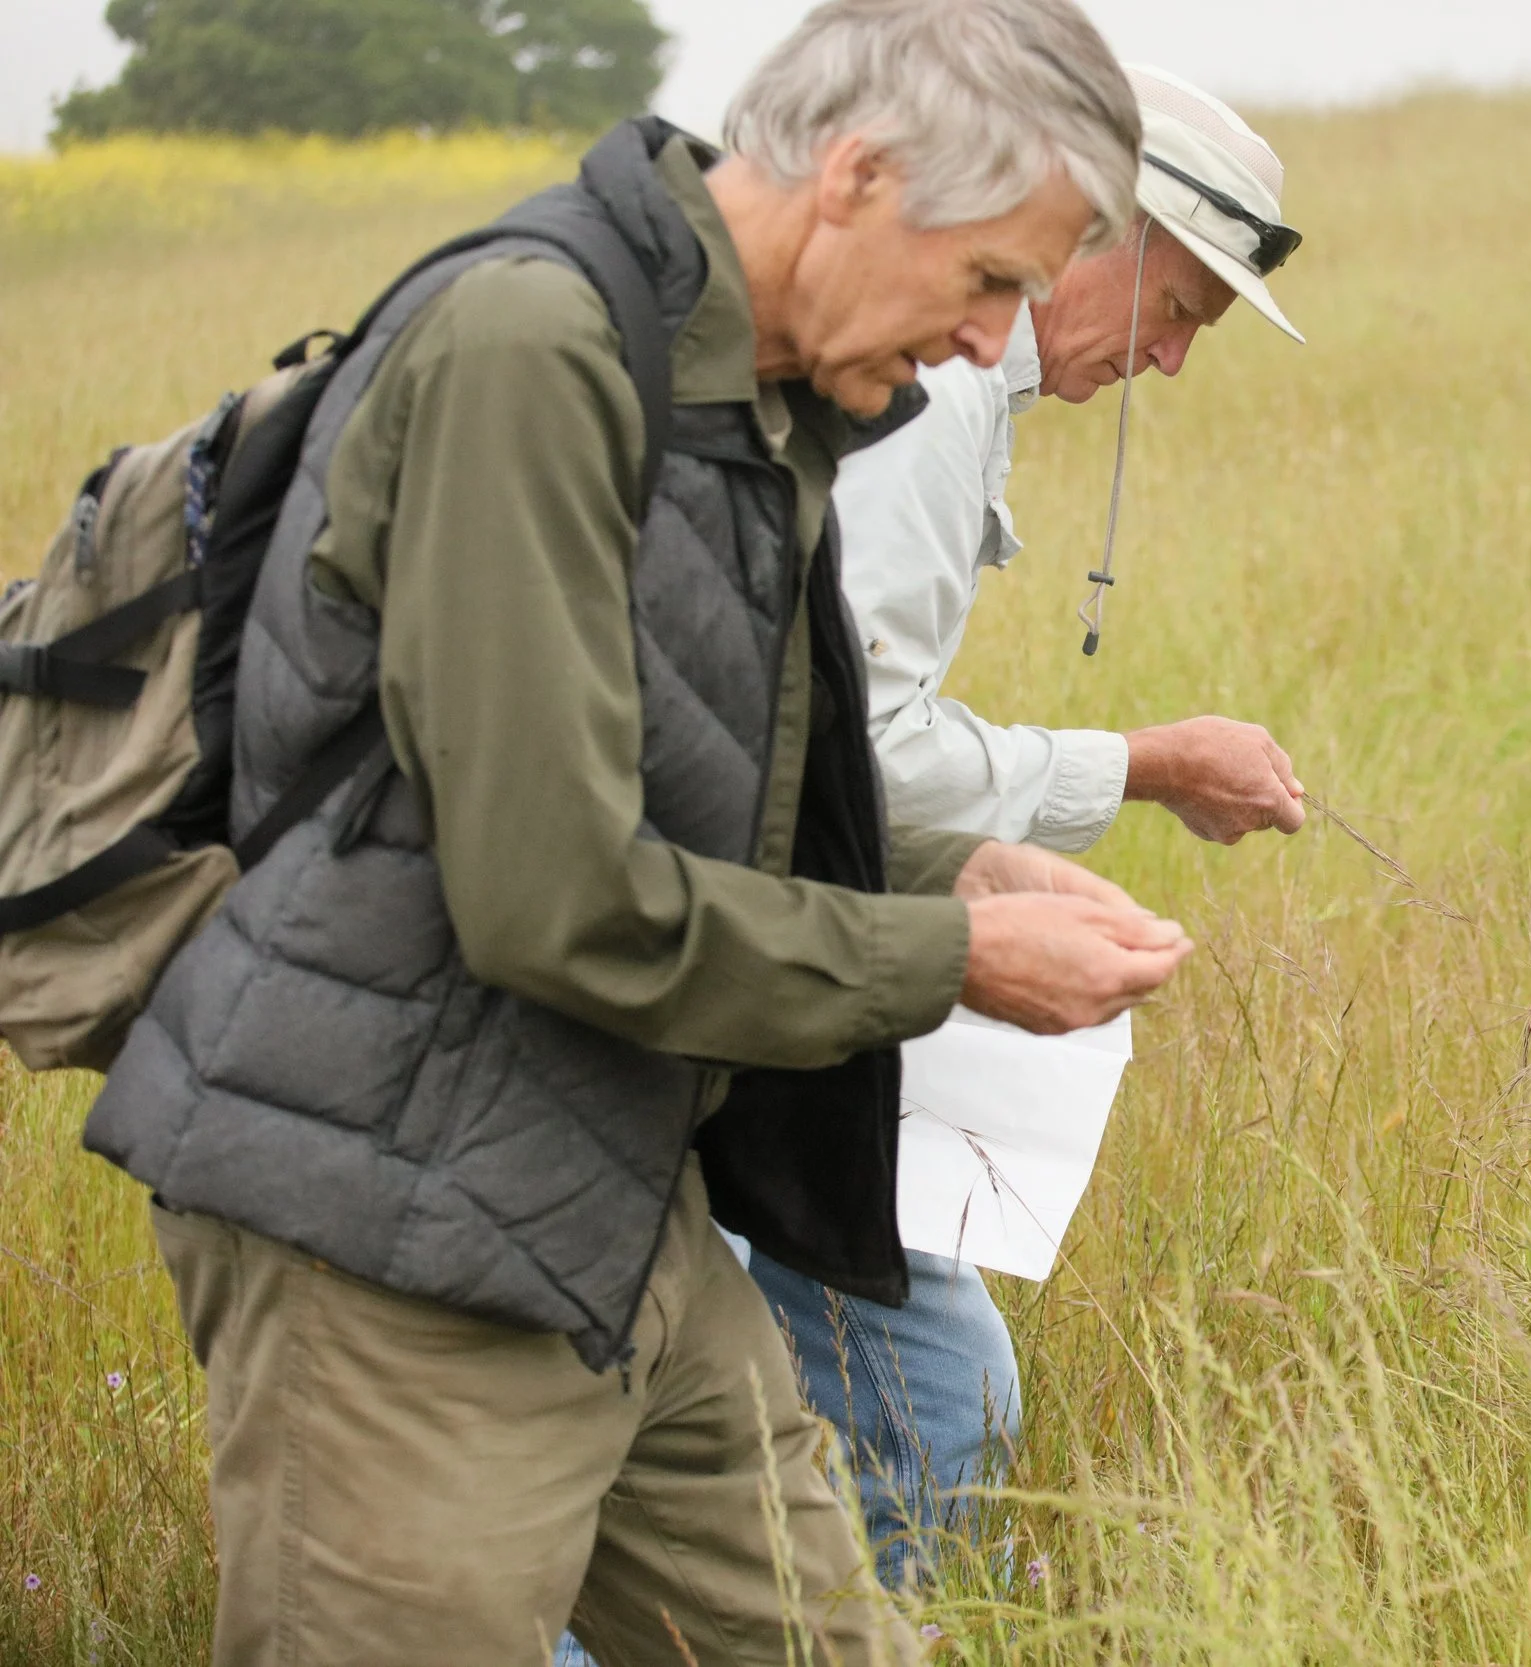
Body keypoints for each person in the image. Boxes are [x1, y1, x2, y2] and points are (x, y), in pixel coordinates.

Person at [78, 2, 1186, 1662]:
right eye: (989, 280)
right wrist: (954, 952)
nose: (990, 344)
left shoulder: (757, 399)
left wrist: (954, 861)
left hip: (613, 1194)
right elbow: (557, 896)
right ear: (860, 177)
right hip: (391, 1228)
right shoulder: (533, 350)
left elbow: (693, 780)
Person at [744, 65, 1310, 1588]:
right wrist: (1144, 764)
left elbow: (815, 739)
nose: (1174, 363)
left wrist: (969, 857)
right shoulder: (939, 392)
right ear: (1088, 232)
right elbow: (861, 738)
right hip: (715, 988)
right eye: (1179, 310)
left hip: (738, 973)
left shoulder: (957, 380)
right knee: (928, 1400)